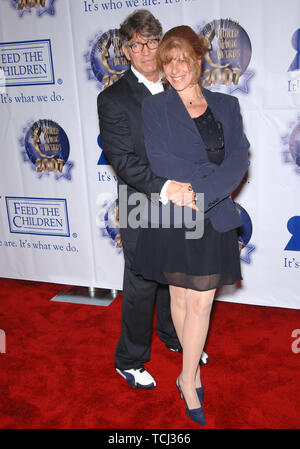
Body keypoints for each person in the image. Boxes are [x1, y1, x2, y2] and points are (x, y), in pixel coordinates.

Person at [133, 25, 250, 424]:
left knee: (202, 300)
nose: (176, 68)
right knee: (181, 298)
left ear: (198, 59)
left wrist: (204, 193)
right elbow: (160, 159)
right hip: (174, 214)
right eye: (168, 62)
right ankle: (191, 373)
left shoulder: (226, 106)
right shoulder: (156, 107)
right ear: (163, 69)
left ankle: (185, 378)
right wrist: (202, 180)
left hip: (210, 211)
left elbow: (238, 160)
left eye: (183, 59)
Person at [97, 11, 209, 390]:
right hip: (142, 202)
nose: (145, 50)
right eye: (135, 43)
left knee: (177, 276)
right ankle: (128, 359)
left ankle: (176, 336)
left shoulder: (181, 84)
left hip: (185, 200)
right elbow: (123, 161)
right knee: (143, 281)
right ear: (126, 50)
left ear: (161, 42)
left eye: (151, 41)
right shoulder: (112, 99)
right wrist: (166, 188)